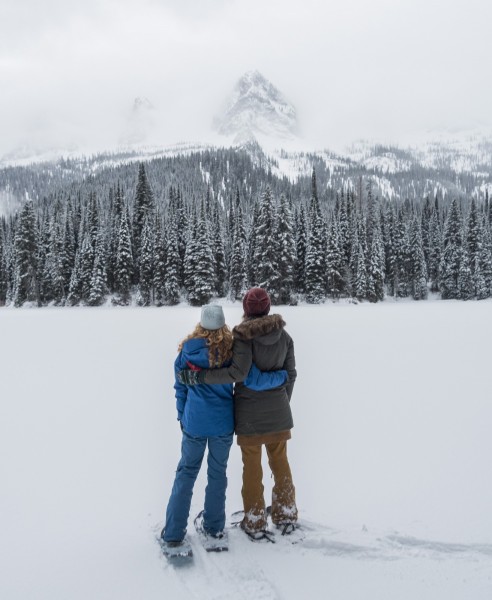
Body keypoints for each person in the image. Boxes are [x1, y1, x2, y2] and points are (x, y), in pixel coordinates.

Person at [161, 304, 287, 553]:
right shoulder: (230, 349)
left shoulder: (187, 350)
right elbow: (247, 377)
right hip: (222, 423)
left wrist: (182, 417)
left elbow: (181, 388)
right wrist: (281, 377)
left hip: (195, 422)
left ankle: (174, 532)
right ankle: (214, 527)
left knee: (186, 472)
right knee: (217, 474)